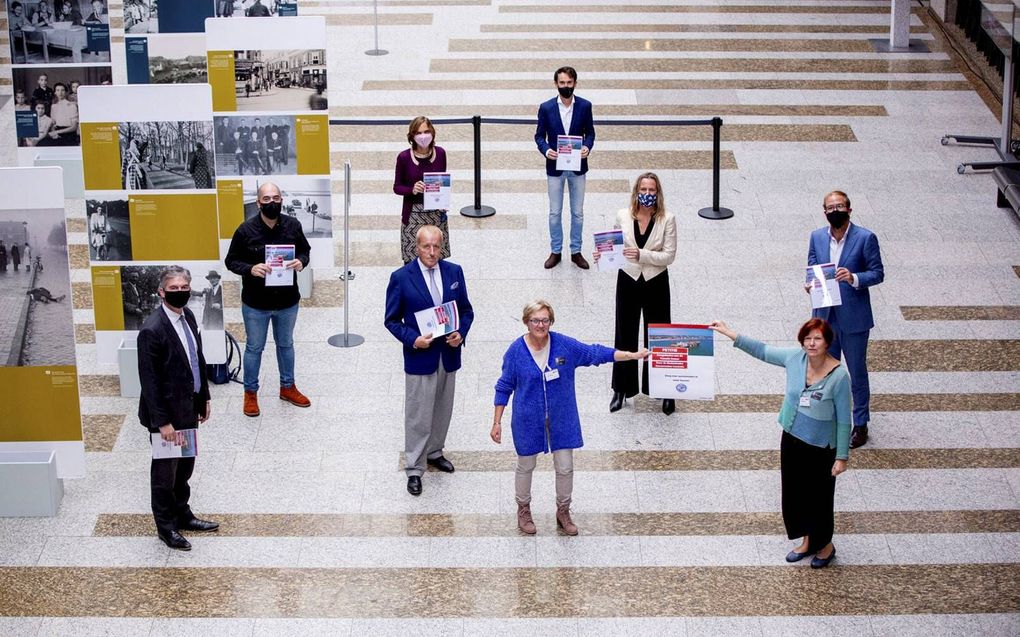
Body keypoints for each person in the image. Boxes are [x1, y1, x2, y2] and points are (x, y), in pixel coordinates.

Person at [491, 300, 648, 535]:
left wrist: (631, 355)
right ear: (526, 322)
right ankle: (523, 510)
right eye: (535, 320)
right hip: (527, 421)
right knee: (526, 465)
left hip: (561, 419)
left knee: (565, 467)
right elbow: (504, 386)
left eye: (545, 320)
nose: (540, 325)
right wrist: (496, 422)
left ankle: (563, 511)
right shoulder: (515, 352)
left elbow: (595, 353)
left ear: (551, 322)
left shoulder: (563, 345)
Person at [709, 318, 850, 568]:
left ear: (828, 342)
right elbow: (763, 351)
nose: (811, 343)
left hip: (821, 447)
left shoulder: (839, 377)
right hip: (793, 438)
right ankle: (807, 541)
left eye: (817, 338)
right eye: (807, 338)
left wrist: (841, 456)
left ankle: (825, 546)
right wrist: (731, 333)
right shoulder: (795, 358)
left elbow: (842, 421)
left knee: (819, 498)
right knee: (795, 492)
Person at [384, 225, 474, 497]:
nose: (432, 252)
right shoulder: (401, 277)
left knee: (442, 409)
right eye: (426, 246)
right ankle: (414, 467)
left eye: (436, 246)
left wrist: (461, 333)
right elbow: (391, 320)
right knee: (418, 414)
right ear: (416, 247)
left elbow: (466, 311)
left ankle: (435, 451)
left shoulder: (454, 272)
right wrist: (413, 339)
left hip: (447, 354)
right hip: (420, 356)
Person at [137, 266, 219, 551]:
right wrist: (162, 423)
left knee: (185, 466)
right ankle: (167, 527)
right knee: (164, 474)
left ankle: (183, 514)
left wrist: (204, 396)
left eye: (184, 286)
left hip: (188, 408)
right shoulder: (152, 330)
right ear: (161, 292)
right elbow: (149, 382)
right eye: (174, 288)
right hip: (167, 418)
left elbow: (197, 358)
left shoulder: (188, 316)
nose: (181, 291)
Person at [225, 181, 312, 417]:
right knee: (254, 347)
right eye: (266, 199)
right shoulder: (245, 230)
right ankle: (250, 393)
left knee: (286, 345)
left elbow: (305, 250)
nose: (271, 202)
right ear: (258, 203)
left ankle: (288, 387)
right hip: (256, 303)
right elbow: (230, 261)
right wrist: (250, 268)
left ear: (281, 200)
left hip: (287, 301)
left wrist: (301, 262)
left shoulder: (292, 225)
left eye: (275, 198)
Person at [594, 172, 677, 415]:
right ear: (636, 191)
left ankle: (664, 390)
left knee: (660, 335)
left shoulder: (667, 219)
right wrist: (602, 256)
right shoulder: (622, 215)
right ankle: (621, 389)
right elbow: (613, 247)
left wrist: (642, 255)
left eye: (652, 190)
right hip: (628, 279)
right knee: (625, 333)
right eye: (644, 189)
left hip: (655, 281)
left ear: (657, 193)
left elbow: (669, 256)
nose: (647, 194)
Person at [807, 190, 884, 449]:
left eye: (839, 206)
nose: (835, 210)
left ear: (849, 210)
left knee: (857, 372)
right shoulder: (817, 237)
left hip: (854, 318)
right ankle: (825, 418)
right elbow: (812, 267)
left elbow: (877, 272)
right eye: (830, 207)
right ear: (825, 212)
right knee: (825, 371)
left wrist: (854, 278)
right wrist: (810, 285)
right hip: (826, 317)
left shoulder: (865, 238)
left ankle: (860, 424)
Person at [535, 66, 596, 270]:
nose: (566, 86)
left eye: (569, 83)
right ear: (556, 84)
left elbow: (590, 133)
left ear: (575, 83)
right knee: (555, 212)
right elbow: (539, 136)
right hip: (555, 167)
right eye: (562, 83)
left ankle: (576, 251)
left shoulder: (585, 106)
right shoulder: (546, 108)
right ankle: (556, 250)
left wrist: (587, 146)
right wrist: (546, 150)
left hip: (578, 167)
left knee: (577, 212)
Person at [393, 116, 450, 264]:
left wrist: (443, 200)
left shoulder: (441, 154)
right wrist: (412, 189)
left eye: (426, 131)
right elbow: (397, 187)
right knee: (412, 261)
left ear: (432, 132)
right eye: (418, 133)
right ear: (412, 136)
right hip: (413, 214)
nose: (423, 136)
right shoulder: (404, 157)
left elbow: (441, 182)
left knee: (436, 258)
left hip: (435, 212)